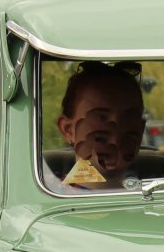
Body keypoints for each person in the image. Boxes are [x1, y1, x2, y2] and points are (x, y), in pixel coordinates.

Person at [48, 61, 146, 190]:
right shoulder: (45, 196)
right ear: (68, 129)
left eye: (128, 118)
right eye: (100, 117)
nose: (115, 136)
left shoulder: (160, 195)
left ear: (141, 129)